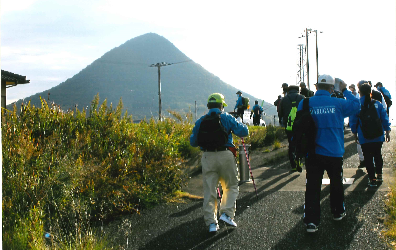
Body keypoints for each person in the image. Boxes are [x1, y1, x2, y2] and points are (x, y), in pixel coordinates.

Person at [300, 74, 360, 233]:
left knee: (312, 186)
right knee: (336, 183)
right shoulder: (339, 103)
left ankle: (312, 222)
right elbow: (356, 105)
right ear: (332, 88)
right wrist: (346, 89)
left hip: (312, 152)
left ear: (316, 86)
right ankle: (338, 212)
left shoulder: (305, 102)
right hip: (334, 152)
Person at [190, 93, 249, 233]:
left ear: (208, 106)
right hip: (226, 155)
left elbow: (193, 142)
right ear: (221, 105)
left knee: (209, 191)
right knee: (230, 186)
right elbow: (244, 132)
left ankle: (211, 223)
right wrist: (239, 121)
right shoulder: (227, 117)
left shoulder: (201, 121)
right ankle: (226, 214)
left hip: (207, 157)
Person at [350, 83, 391, 187]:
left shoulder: (357, 105)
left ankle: (372, 179)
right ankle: (379, 175)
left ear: (360, 92)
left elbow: (353, 121)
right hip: (378, 135)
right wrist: (387, 132)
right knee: (378, 155)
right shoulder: (378, 104)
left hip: (364, 137)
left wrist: (354, 134)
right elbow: (384, 119)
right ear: (370, 92)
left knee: (368, 158)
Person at [279, 85, 304, 171]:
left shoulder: (284, 99)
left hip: (289, 126)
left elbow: (280, 113)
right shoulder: (302, 98)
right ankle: (299, 160)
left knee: (291, 144)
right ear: (298, 90)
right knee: (300, 143)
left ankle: (293, 165)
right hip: (300, 125)